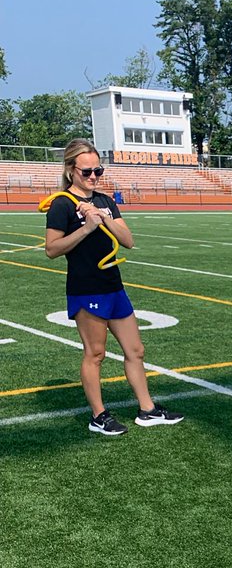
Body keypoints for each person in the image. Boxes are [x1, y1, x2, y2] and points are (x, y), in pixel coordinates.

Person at [44, 139, 183, 436]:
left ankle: (147, 409)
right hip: (86, 288)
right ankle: (98, 415)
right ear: (71, 171)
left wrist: (103, 216)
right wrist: (87, 227)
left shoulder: (105, 201)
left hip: (113, 286)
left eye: (98, 170)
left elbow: (129, 241)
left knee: (136, 350)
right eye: (87, 171)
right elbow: (52, 249)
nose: (93, 176)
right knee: (95, 354)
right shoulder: (61, 204)